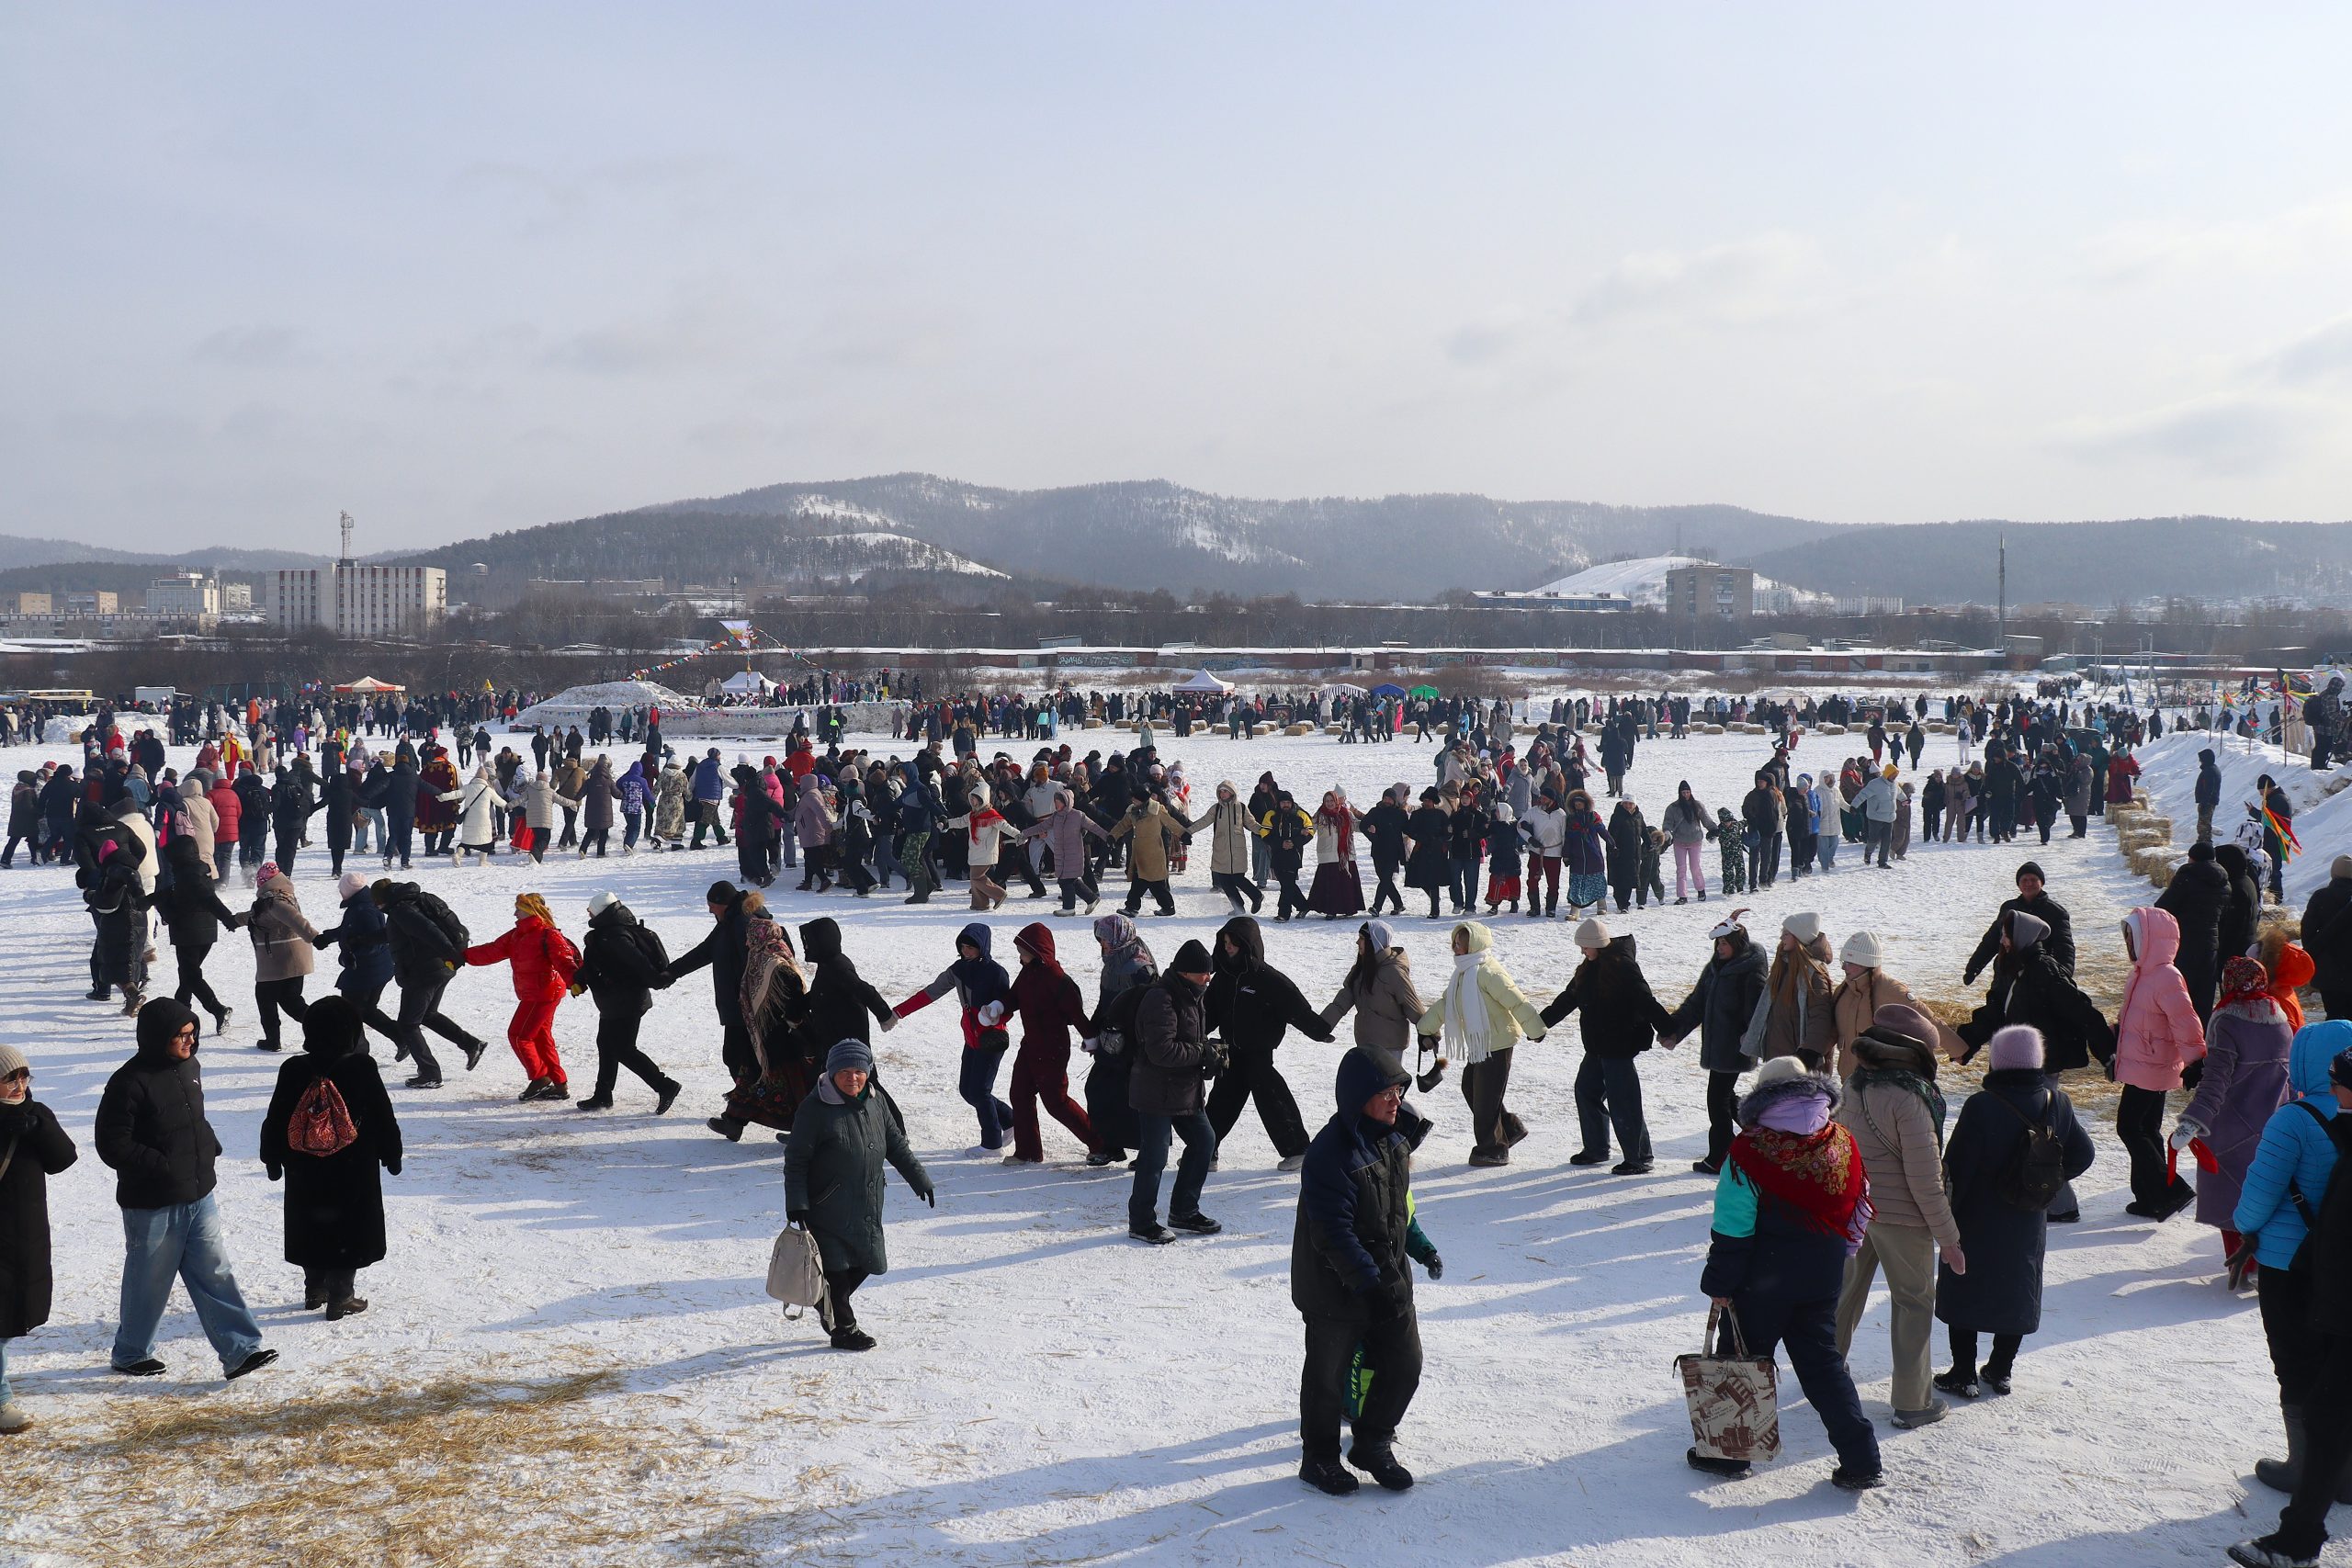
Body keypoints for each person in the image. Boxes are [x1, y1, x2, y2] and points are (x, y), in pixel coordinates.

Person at [1690, 1055, 1882, 1489]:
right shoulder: (1842, 1140)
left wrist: (1720, 1283)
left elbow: (1733, 1227)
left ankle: (1729, 1455)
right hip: (1823, 1274)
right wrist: (1842, 1253)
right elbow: (1860, 1201)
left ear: (1763, 1098)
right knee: (1823, 1366)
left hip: (1762, 1282)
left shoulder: (1750, 1151)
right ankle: (1863, 1460)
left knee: (1741, 1363)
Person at [96, 999, 277, 1381]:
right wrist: (162, 1166)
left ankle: (241, 1350)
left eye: (192, 1033)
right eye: (181, 1035)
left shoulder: (190, 1067)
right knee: (149, 1282)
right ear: (158, 1037)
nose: (190, 1042)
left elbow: (193, 1118)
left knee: (215, 1272)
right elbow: (112, 1144)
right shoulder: (128, 1082)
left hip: (199, 1193)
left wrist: (207, 1145)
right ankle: (130, 1353)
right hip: (154, 1203)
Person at [1933, 1025, 2095, 1400]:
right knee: (2018, 1288)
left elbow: (1957, 1167)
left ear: (1997, 1062)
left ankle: (1963, 1373)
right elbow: (2083, 1154)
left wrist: (1946, 1214)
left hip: (1977, 1215)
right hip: (2028, 1215)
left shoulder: (1981, 1105)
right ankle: (2000, 1369)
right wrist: (2045, 1184)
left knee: (1966, 1286)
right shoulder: (2057, 1102)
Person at [1293, 1050, 1425, 1495]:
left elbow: (1398, 1212)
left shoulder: (1394, 1139)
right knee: (1327, 1381)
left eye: (1399, 1091)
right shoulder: (1329, 1155)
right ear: (1357, 1097)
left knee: (1405, 1364)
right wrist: (1369, 1284)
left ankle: (1372, 1443)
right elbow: (1333, 1232)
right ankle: (1319, 1460)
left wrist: (1406, 1260)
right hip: (1335, 1288)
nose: (1396, 1101)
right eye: (1386, 1093)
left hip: (1388, 1279)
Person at [2233, 1023, 2352, 1504]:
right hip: (2344, 1262)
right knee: (2340, 1362)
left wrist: (2244, 1227)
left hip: (2290, 1262)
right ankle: (2343, 1472)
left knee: (2296, 1360)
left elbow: (2259, 1195)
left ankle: (2305, 1468)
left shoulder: (2293, 1120)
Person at [1832, 1004, 1962, 1429]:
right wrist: (1949, 1239)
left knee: (1846, 1294)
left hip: (1858, 1209)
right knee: (1913, 1303)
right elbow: (1925, 1180)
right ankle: (1912, 1403)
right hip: (1903, 1219)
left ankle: (1826, 1374)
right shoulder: (1911, 1097)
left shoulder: (1854, 1082)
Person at [784, 1039, 936, 1351]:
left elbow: (895, 1143)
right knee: (837, 1270)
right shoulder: (814, 1109)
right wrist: (797, 1203)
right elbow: (796, 1160)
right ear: (831, 1072)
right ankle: (844, 1329)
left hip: (867, 1202)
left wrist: (919, 1179)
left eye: (858, 1071)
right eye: (844, 1072)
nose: (852, 1078)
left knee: (868, 1261)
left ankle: (826, 1302)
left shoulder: (876, 1102)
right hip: (826, 1206)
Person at [255, 997, 401, 1320]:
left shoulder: (293, 1068)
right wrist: (392, 1152)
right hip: (353, 1167)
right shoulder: (362, 1067)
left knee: (311, 1225)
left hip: (304, 1167)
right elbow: (382, 1114)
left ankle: (315, 1289)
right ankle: (341, 1295)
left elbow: (276, 1117)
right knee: (349, 1227)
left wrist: (272, 1157)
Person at [2172, 955, 2293, 1284]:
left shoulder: (2227, 1021)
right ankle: (2264, 1262)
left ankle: (2246, 1265)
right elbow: (2290, 1077)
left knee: (2232, 1200)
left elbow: (2215, 1082)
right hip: (2274, 1127)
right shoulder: (2281, 1018)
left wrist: (2192, 1122)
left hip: (2232, 1129)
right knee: (2266, 1196)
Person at [1408, 919, 1544, 1168]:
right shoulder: (1463, 972)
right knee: (1472, 1088)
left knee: (1485, 1097)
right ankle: (1509, 1129)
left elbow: (1516, 1001)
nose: (1455, 947)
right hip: (1480, 1043)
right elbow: (1446, 1003)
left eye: (1460, 943)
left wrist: (1535, 1029)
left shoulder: (1488, 972)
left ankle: (1493, 1149)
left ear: (1474, 944)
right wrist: (1424, 1028)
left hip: (1498, 1042)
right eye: (1454, 942)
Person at [1541, 918, 1671, 1174]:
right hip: (1596, 1045)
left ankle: (1639, 1157)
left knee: (1624, 1101)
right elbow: (1568, 998)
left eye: (1585, 946)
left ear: (1598, 944)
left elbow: (1646, 1000)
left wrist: (1668, 1029)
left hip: (1620, 1044)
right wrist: (1540, 1024)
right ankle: (1597, 1148)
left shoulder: (1623, 967)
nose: (1582, 951)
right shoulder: (1587, 968)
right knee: (1586, 1090)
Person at [1204, 915, 1327, 1172]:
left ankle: (1298, 1150)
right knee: (1220, 1102)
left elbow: (1296, 1008)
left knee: (1273, 1100)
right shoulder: (1223, 976)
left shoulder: (1267, 978)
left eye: (1233, 942)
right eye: (1225, 942)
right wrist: (1191, 1032)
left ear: (1248, 945)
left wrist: (1318, 1031)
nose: (1228, 947)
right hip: (1230, 1052)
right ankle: (1206, 1152)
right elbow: (1208, 1012)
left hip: (1259, 1053)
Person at [0, 1044, 77, 1433]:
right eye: (9, 1078)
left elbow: (64, 1159)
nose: (19, 1085)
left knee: (11, 1315)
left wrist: (38, 1127)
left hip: (26, 1235)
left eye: (23, 1076)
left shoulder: (36, 1113)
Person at [1126, 939, 1221, 1244]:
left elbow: (1189, 1039)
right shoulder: (1162, 999)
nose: (1208, 978)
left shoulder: (1193, 995)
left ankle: (1184, 1211)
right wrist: (1201, 1053)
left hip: (1184, 1090)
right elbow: (1161, 1051)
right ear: (1185, 972)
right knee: (1154, 1158)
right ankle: (1141, 1222)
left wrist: (1209, 1052)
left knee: (1204, 1141)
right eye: (1203, 973)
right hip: (1155, 1091)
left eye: (1209, 973)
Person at [1662, 912, 1772, 1174]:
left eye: (1725, 943)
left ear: (1737, 944)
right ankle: (1762, 1138)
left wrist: (1749, 1037)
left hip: (1735, 1048)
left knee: (1717, 1100)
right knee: (1726, 1098)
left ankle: (1721, 1156)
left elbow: (1757, 1010)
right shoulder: (1715, 968)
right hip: (1718, 1045)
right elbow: (1696, 1004)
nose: (1720, 948)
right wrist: (1674, 1031)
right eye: (1718, 944)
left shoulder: (1750, 971)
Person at [2113, 905, 2204, 1220]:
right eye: (2126, 937)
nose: (2128, 943)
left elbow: (2185, 1020)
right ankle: (2149, 1197)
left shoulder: (2166, 975)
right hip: (2143, 1062)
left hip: (2153, 1065)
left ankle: (2170, 1191)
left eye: (2132, 936)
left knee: (2129, 1127)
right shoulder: (2140, 974)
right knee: (2146, 1129)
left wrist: (2196, 1061)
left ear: (2148, 938)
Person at [893, 923, 1016, 1154]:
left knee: (980, 1091)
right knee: (967, 1090)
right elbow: (930, 993)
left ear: (983, 947)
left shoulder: (996, 972)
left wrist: (993, 1013)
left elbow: (1008, 1005)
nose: (966, 951)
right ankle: (1010, 1120)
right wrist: (898, 1012)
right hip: (971, 1038)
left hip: (991, 1039)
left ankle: (992, 1144)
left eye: (971, 947)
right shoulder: (958, 970)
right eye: (963, 947)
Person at [568, 892, 683, 1114]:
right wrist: (579, 980)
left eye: (591, 910)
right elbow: (598, 964)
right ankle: (603, 1094)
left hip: (627, 1001)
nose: (588, 913)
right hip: (614, 1000)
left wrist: (658, 980)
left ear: (601, 911)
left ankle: (665, 1085)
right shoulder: (607, 932)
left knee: (623, 1049)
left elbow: (638, 963)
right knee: (606, 1043)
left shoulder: (615, 935)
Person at [371, 879, 488, 1090]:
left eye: (376, 902)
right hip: (439, 968)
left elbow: (429, 931)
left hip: (424, 972)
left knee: (407, 1024)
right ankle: (471, 1044)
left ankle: (430, 1074)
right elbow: (394, 933)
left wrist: (450, 953)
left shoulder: (402, 910)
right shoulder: (409, 904)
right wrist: (361, 939)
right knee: (428, 1014)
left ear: (382, 900)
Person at [465, 893, 581, 1103]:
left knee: (519, 1035)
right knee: (541, 1038)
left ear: (530, 911)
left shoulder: (548, 934)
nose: (515, 913)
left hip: (544, 993)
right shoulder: (517, 934)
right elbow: (492, 951)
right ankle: (559, 1084)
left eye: (518, 909)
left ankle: (540, 1078)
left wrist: (574, 981)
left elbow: (563, 960)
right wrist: (462, 956)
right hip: (533, 993)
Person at [1002, 922, 1095, 1164]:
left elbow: (1076, 1014)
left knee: (1056, 1103)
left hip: (1053, 1049)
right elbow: (1014, 997)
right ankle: (1028, 1152)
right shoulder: (1027, 972)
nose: (1020, 957)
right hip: (1030, 1045)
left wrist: (1091, 1039)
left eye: (1023, 952)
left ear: (1037, 952)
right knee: (1019, 1095)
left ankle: (1100, 1143)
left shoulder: (1057, 979)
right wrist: (998, 1007)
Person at [1319, 920, 1434, 1089]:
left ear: (1374, 941)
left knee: (1387, 1091)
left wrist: (1429, 1033)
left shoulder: (1393, 971)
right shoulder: (1361, 969)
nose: (1357, 942)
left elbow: (1412, 1004)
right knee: (1368, 1092)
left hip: (1390, 1046)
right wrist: (1321, 1026)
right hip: (1366, 1043)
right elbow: (1341, 1002)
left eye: (1361, 938)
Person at [1082, 914, 1158, 1167]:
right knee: (1099, 1090)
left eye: (1105, 939)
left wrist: (1128, 1034)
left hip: (1133, 1044)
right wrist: (1093, 1031)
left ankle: (1148, 1151)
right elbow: (1106, 1001)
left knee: (1135, 1098)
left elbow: (1149, 1007)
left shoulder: (1139, 967)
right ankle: (1112, 1146)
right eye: (1100, 940)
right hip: (1111, 1041)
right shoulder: (1113, 962)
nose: (1102, 944)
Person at [1829, 931, 1955, 1078]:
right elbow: (1830, 1029)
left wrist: (1959, 1050)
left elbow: (1927, 1021)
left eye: (1850, 963)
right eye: (1843, 962)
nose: (1844, 967)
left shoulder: (1891, 990)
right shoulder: (1843, 991)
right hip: (1848, 1079)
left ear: (1866, 964)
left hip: (1881, 1080)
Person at [155, 835, 242, 1033]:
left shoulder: (189, 874)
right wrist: (147, 900)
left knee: (191, 976)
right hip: (204, 931)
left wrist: (228, 918)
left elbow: (208, 898)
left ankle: (217, 1009)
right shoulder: (197, 869)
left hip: (190, 933)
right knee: (187, 975)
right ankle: (180, 1014)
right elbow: (174, 892)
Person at [245, 862, 319, 1054]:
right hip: (291, 959)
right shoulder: (277, 897)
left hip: (280, 960)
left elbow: (294, 919)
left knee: (266, 997)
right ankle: (323, 1031)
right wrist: (234, 919)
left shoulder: (275, 901)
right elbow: (256, 916)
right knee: (291, 1001)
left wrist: (314, 936)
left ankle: (273, 1040)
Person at [1963, 862, 2076, 985]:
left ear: (2042, 883)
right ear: (2019, 884)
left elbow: (2064, 946)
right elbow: (1991, 940)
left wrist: (2064, 974)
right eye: (2024, 880)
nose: (2029, 883)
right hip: (2006, 974)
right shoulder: (2009, 908)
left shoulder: (2056, 912)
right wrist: (1973, 968)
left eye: (2033, 879)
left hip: (2038, 976)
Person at [2155, 840, 2229, 1023]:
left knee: (2181, 991)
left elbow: (2162, 907)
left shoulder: (2186, 878)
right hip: (2211, 944)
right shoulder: (2224, 883)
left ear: (2193, 858)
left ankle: (2180, 1031)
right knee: (2204, 994)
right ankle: (2201, 1032)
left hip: (2184, 943)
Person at [1755, 912, 1838, 1070]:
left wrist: (1809, 1053)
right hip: (1780, 1055)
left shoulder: (1813, 973)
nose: (1781, 938)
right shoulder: (1784, 966)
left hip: (1801, 1062)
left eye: (1786, 934)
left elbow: (1820, 1016)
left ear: (1799, 937)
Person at [1660, 782, 1711, 904]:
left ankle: (1701, 890)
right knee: (1681, 869)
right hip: (1679, 841)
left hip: (1695, 840)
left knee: (1695, 867)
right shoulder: (1673, 808)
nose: (1686, 795)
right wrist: (1667, 832)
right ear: (1680, 793)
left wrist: (1713, 829)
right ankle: (1682, 896)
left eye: (1688, 792)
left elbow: (1706, 819)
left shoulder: (1697, 805)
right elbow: (1667, 822)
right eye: (1683, 792)